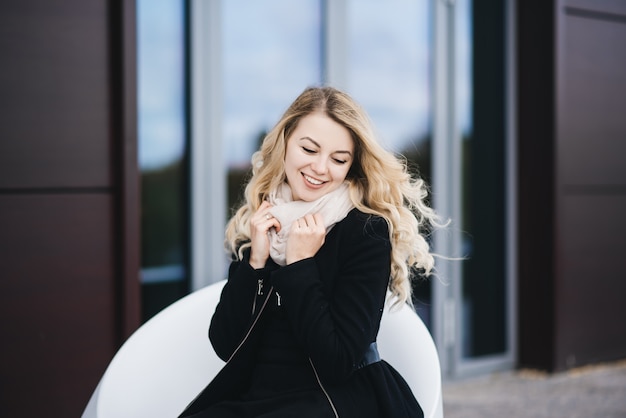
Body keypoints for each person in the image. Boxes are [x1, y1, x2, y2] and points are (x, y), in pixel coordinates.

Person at [179, 86, 440, 418]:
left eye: (338, 159)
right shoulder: (266, 220)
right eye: (309, 149)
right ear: (286, 143)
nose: (320, 168)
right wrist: (255, 264)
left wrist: (300, 264)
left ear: (351, 166)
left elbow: (338, 362)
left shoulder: (365, 231)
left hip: (336, 401)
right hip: (260, 398)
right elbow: (226, 344)